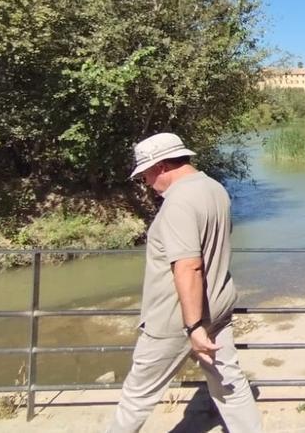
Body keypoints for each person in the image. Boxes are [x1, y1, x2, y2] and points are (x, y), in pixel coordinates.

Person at [106, 132, 263, 432]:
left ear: (161, 167)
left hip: (176, 319)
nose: (146, 183)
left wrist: (193, 327)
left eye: (146, 175)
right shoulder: (214, 188)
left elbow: (189, 266)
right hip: (217, 308)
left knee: (136, 397)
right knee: (229, 385)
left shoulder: (178, 202)